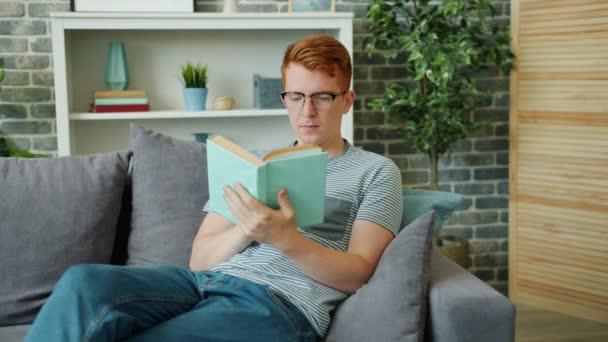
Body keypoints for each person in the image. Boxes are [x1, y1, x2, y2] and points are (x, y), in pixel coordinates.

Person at [25, 34, 403, 342]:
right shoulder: (253, 162)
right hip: (202, 283)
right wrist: (248, 228)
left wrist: (284, 237)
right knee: (83, 282)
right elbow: (200, 258)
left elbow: (358, 273)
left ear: (347, 100)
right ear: (284, 98)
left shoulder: (375, 171)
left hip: (279, 304)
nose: (307, 111)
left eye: (322, 96)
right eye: (296, 96)